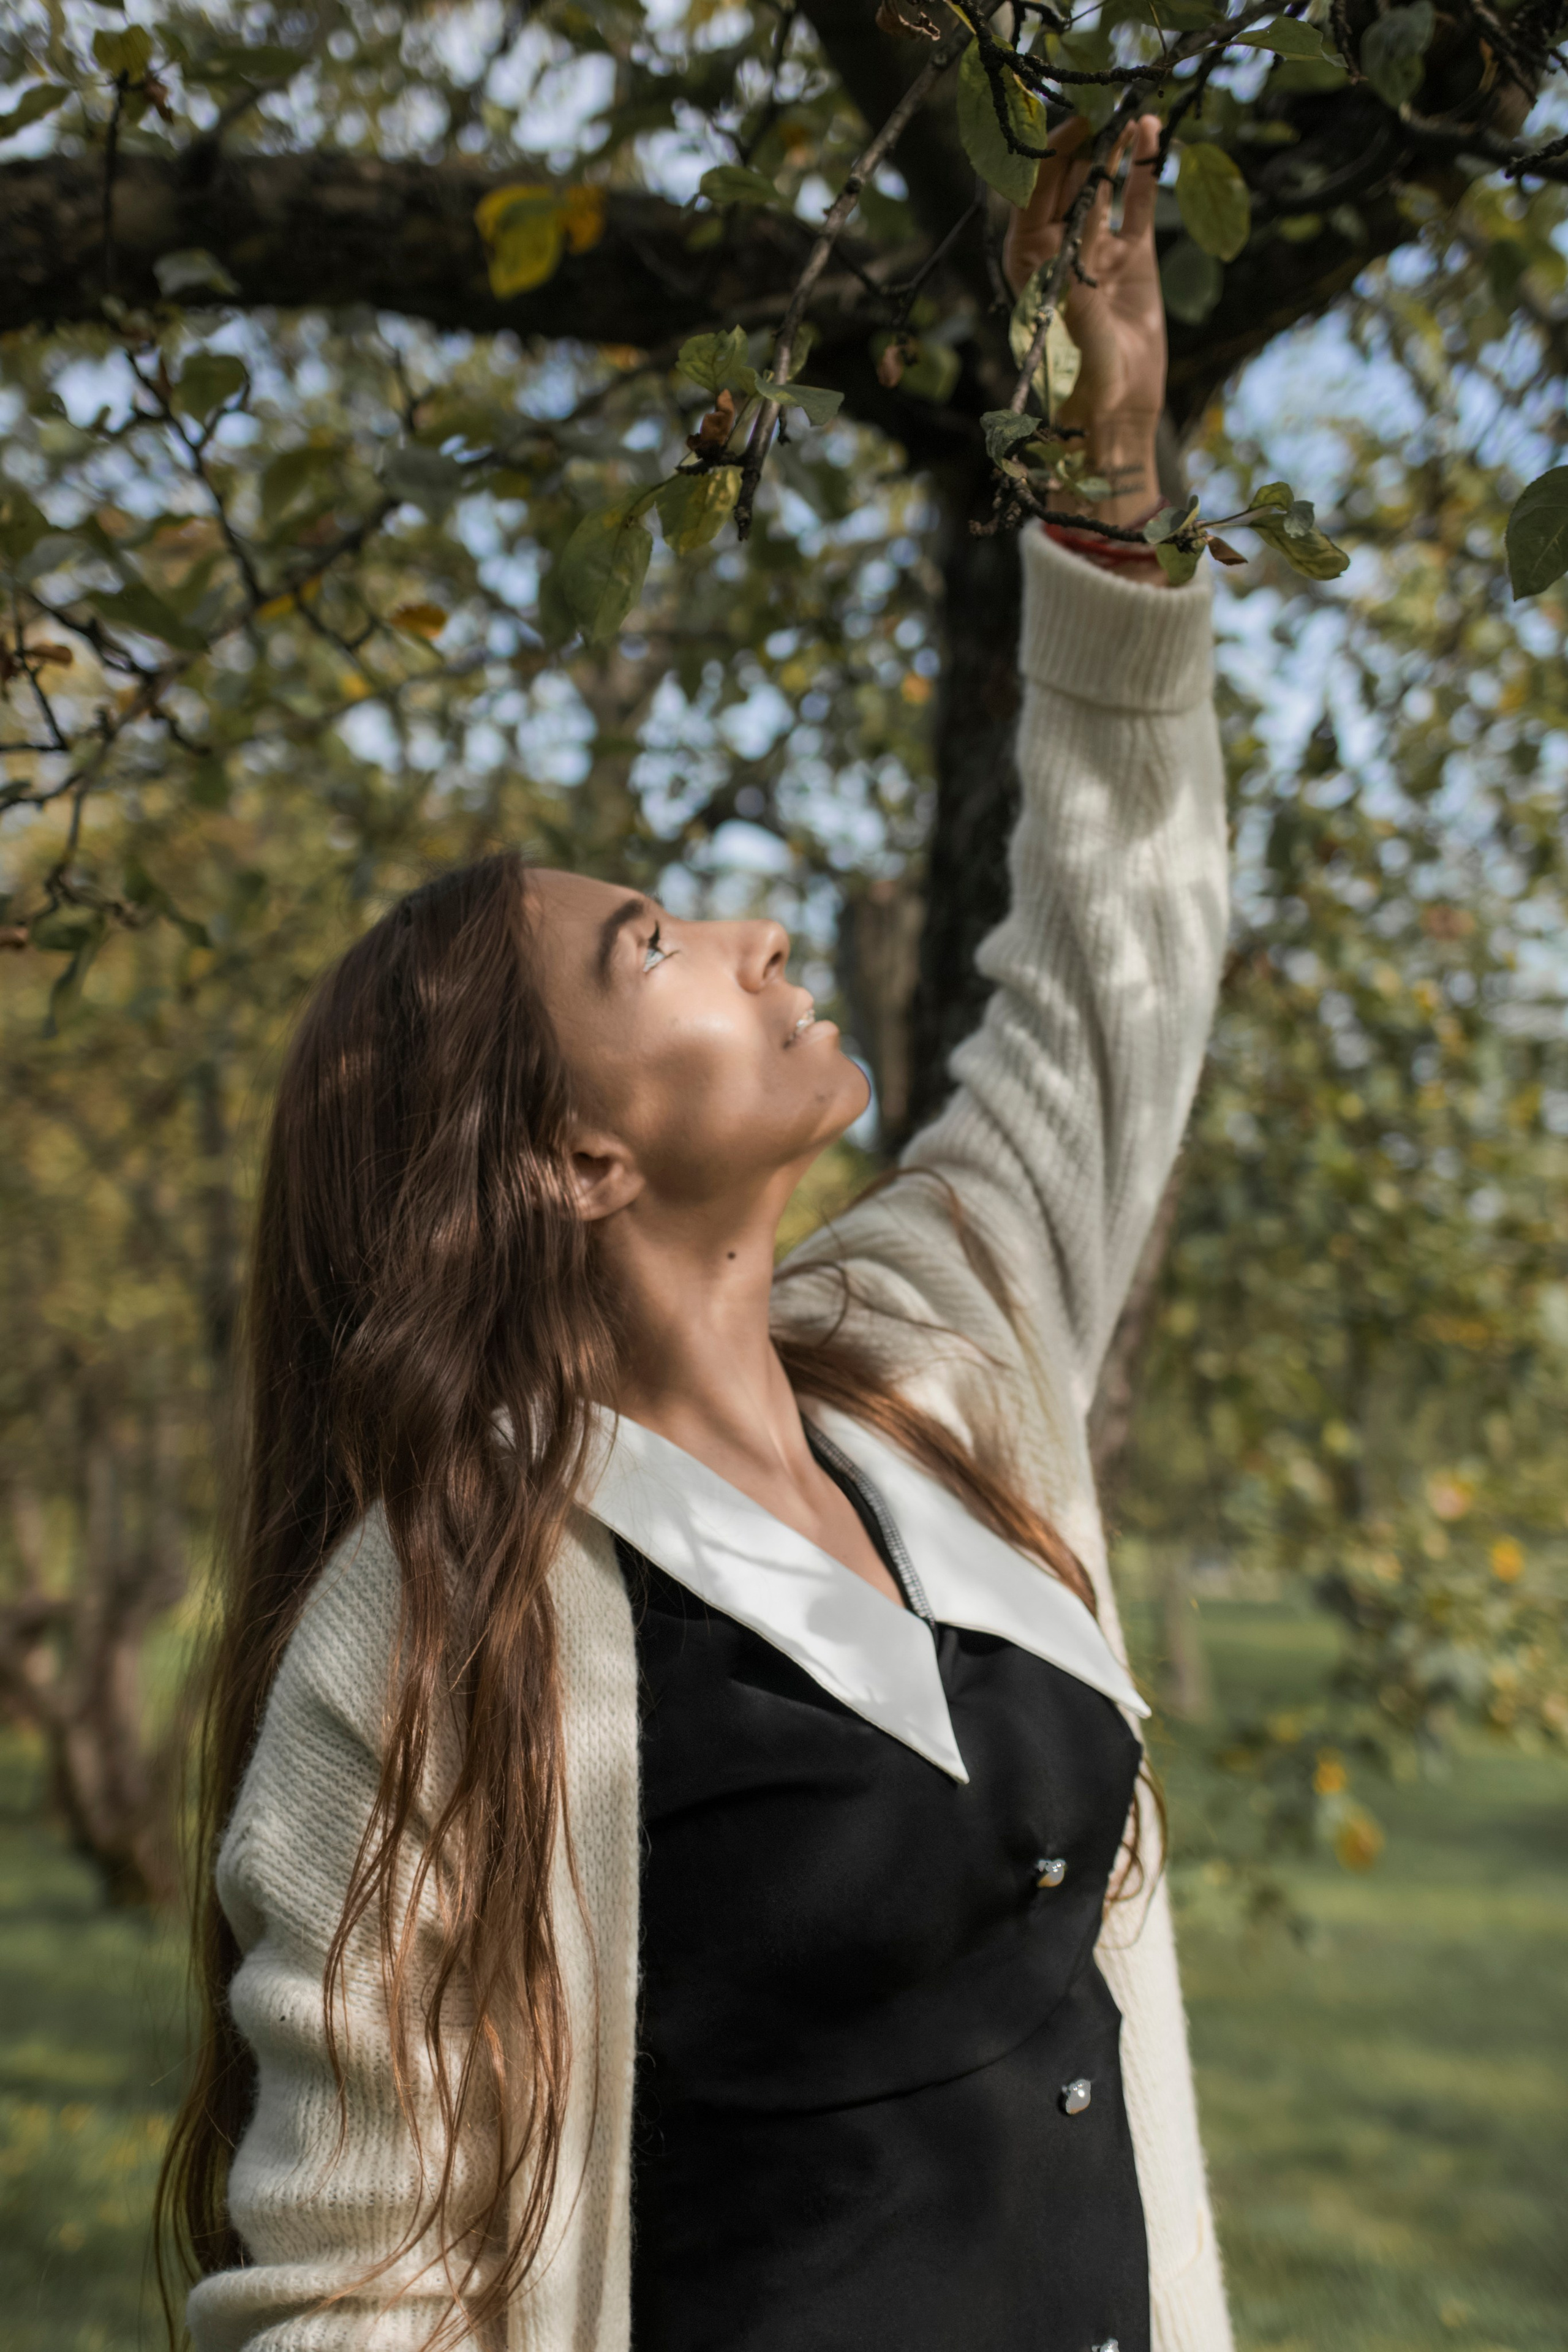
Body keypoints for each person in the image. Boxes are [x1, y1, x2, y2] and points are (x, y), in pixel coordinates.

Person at [159, 112, 1232, 2352]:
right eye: (651, 945)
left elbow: (1109, 985)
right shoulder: (440, 1624)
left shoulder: (937, 1369)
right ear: (568, 1158)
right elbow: (357, 2298)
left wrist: (1109, 492)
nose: (752, 932)